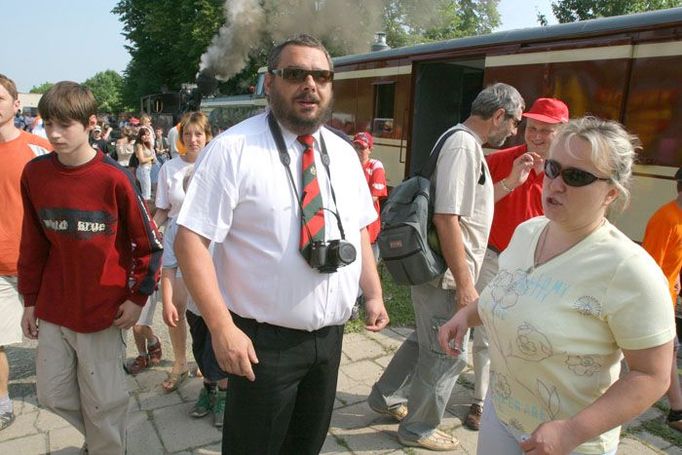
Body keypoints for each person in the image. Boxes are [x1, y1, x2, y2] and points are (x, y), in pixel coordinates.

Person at [175, 34, 389, 454]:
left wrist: (375, 293)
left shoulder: (345, 154)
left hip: (329, 340)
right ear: (270, 84)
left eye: (321, 75)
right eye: (295, 74)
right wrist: (221, 329)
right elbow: (190, 241)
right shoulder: (232, 150)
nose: (310, 84)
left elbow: (360, 229)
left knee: (306, 445)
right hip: (260, 345)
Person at [438, 116, 675, 455]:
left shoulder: (629, 270)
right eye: (553, 168)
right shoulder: (527, 232)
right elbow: (504, 292)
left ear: (611, 192)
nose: (556, 184)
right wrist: (466, 317)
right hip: (500, 416)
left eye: (577, 176)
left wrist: (572, 431)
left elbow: (653, 376)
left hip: (568, 443)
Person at [367, 82, 524, 451]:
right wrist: (466, 284)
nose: (515, 131)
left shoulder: (464, 144)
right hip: (448, 275)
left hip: (443, 271)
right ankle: (418, 429)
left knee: (426, 339)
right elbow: (447, 218)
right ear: (499, 115)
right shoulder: (463, 146)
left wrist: (512, 183)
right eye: (515, 122)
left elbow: (470, 205)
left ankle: (385, 397)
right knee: (448, 353)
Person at [18, 81, 163, 455]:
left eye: (64, 125)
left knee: (105, 400)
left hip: (103, 311)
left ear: (90, 124)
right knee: (51, 393)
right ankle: (102, 438)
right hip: (54, 307)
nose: (53, 133)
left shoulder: (115, 178)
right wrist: (29, 301)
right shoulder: (36, 174)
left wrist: (138, 298)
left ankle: (105, 447)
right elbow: (32, 243)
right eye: (48, 123)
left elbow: (150, 245)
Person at [465, 97, 569, 431]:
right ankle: (481, 400)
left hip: (544, 269)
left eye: (546, 130)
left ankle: (528, 398)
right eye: (532, 127)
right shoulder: (501, 160)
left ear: (563, 132)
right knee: (485, 332)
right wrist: (511, 180)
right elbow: (476, 206)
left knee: (535, 335)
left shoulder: (569, 173)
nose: (536, 136)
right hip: (495, 258)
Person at [0, 74, 52, 432]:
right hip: (0, 265)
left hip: (42, 263)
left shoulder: (40, 148)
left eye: (0, 98)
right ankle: (3, 401)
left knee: (53, 335)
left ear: (16, 104)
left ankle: (57, 389)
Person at [152, 113, 213, 396]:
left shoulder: (215, 164)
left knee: (208, 306)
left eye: (198, 134)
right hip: (178, 240)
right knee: (177, 306)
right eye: (187, 134)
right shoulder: (169, 168)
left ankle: (206, 358)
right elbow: (164, 208)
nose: (192, 140)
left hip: (210, 244)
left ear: (207, 136)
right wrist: (150, 229)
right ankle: (179, 362)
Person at [641, 168, 682, 432]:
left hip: (669, 296)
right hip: (657, 301)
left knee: (665, 354)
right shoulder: (665, 218)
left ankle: (676, 410)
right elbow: (649, 266)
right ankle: (677, 411)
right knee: (667, 353)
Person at [353, 131, 387, 259]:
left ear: (370, 149)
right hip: (350, 225)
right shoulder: (348, 165)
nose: (358, 151)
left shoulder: (375, 166)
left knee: (370, 264)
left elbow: (374, 196)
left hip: (369, 226)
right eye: (356, 147)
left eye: (362, 148)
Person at [134, 126, 156, 203]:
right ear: (140, 135)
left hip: (148, 169)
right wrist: (151, 158)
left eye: (148, 135)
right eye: (144, 135)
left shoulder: (147, 144)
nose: (146, 137)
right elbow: (142, 160)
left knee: (146, 193)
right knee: (146, 195)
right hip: (143, 169)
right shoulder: (139, 145)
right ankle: (144, 212)